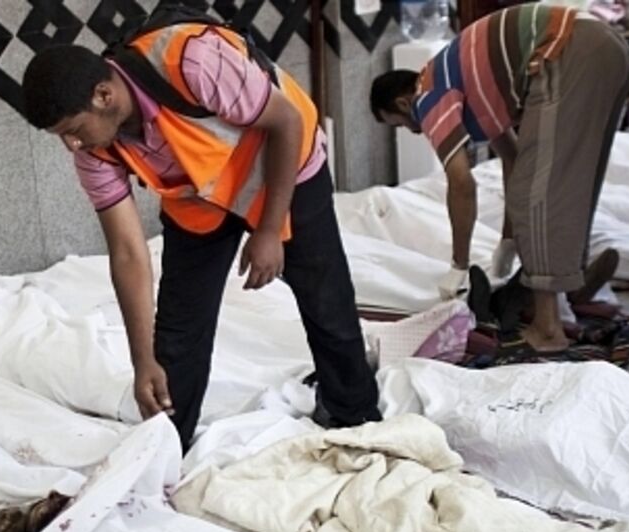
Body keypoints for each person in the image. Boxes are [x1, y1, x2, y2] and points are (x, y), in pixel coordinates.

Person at [19, 15, 381, 448]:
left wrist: (269, 231)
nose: (72, 145)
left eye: (75, 131)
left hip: (285, 164)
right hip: (201, 198)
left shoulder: (191, 60)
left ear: (104, 95)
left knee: (324, 297)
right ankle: (168, 444)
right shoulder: (94, 153)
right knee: (179, 327)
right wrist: (142, 361)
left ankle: (354, 414)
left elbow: (286, 121)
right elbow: (128, 252)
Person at [370, 4, 629, 352]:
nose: (414, 131)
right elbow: (513, 160)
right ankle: (569, 291)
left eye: (401, 125)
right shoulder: (465, 80)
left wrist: (459, 265)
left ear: (404, 104)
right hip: (610, 47)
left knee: (538, 193)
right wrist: (508, 239)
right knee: (572, 184)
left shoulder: (428, 96)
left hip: (565, 49)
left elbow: (461, 183)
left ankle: (548, 326)